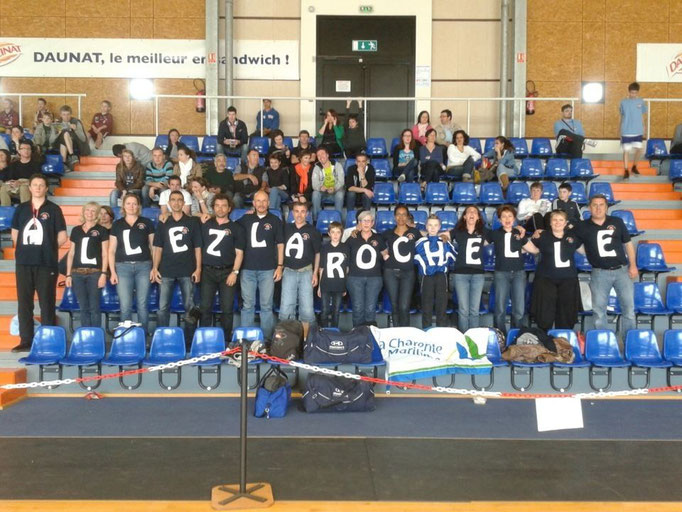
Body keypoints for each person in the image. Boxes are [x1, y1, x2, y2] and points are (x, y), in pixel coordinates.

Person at [10, 174, 67, 351]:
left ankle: (48, 341)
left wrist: (48, 249)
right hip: (24, 263)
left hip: (46, 263)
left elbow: (63, 237)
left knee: (47, 302)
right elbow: (15, 233)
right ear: (30, 188)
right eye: (34, 185)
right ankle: (26, 340)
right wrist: (23, 250)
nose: (38, 188)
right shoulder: (21, 209)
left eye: (41, 185)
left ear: (46, 188)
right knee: (24, 302)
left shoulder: (54, 209)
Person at [572, 194, 637, 339]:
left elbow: (628, 244)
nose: (598, 208)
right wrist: (588, 254)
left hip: (622, 271)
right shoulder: (582, 226)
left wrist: (633, 265)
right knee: (599, 311)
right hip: (599, 273)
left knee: (629, 309)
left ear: (606, 207)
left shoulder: (617, 222)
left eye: (601, 205)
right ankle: (604, 342)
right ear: (589, 207)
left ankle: (630, 343)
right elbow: (572, 242)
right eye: (595, 205)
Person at [151, 191, 202, 335]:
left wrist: (198, 269)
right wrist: (155, 267)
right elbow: (158, 248)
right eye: (173, 200)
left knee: (190, 307)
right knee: (162, 308)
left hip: (187, 270)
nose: (176, 202)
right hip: (166, 270)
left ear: (183, 202)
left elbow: (198, 247)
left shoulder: (192, 222)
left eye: (180, 200)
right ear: (169, 203)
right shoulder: (163, 223)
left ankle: (189, 340)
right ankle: (162, 338)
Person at [523, 210, 582, 331]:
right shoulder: (542, 236)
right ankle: (546, 341)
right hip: (545, 280)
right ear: (550, 222)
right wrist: (519, 238)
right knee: (544, 314)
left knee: (566, 314)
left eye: (561, 220)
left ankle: (563, 342)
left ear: (565, 223)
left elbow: (585, 251)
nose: (557, 222)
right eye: (554, 220)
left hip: (568, 280)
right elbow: (532, 250)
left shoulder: (573, 237)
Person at [237, 190, 284, 339]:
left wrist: (280, 266)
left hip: (268, 269)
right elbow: (227, 225)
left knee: (266, 306)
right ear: (253, 203)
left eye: (264, 201)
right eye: (258, 201)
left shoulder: (275, 220)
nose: (261, 204)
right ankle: (246, 342)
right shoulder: (245, 219)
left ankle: (267, 341)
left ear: (269, 203)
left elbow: (280, 245)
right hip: (247, 269)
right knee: (247, 306)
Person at [109, 194, 155, 335]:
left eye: (134, 203)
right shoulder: (117, 224)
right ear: (123, 206)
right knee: (125, 306)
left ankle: (143, 337)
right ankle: (126, 338)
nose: (131, 206)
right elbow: (111, 250)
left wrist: (154, 268)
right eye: (128, 203)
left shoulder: (146, 222)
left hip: (144, 266)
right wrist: (113, 272)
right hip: (123, 267)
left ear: (139, 206)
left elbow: (153, 247)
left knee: (142, 305)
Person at [199, 194, 244, 335]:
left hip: (227, 272)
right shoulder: (205, 224)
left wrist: (235, 272)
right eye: (217, 205)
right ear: (213, 208)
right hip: (207, 271)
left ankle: (226, 340)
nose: (220, 208)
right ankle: (205, 337)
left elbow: (239, 253)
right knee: (205, 307)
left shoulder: (236, 228)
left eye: (224, 205)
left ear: (229, 208)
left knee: (227, 308)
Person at [280, 200, 321, 336]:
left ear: (307, 214)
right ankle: (287, 341)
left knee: (307, 309)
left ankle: (306, 341)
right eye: (296, 211)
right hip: (289, 271)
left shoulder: (313, 231)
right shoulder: (285, 228)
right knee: (286, 308)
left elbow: (317, 253)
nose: (299, 214)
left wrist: (315, 274)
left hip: (306, 272)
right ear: (292, 213)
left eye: (302, 211)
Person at [485, 205, 529, 334]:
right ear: (499, 220)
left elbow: (533, 248)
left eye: (510, 216)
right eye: (503, 216)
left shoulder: (519, 233)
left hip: (519, 273)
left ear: (515, 218)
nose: (507, 219)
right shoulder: (495, 233)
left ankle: (516, 337)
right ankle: (500, 337)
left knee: (519, 309)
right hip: (501, 273)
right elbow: (479, 242)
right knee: (500, 308)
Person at [65, 202, 109, 328]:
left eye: (93, 211)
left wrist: (103, 274)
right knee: (83, 307)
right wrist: (68, 274)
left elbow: (105, 254)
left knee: (94, 307)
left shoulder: (102, 230)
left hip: (94, 273)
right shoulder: (76, 230)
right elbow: (71, 253)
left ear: (97, 214)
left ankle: (96, 336)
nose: (90, 213)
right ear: (83, 212)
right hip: (77, 273)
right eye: (87, 210)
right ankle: (86, 336)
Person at [346, 210, 388, 327]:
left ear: (373, 223)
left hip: (374, 278)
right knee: (358, 308)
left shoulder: (378, 238)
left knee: (370, 308)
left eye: (369, 221)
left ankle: (369, 337)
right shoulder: (352, 237)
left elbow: (384, 252)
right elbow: (346, 256)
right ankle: (357, 336)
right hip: (355, 278)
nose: (366, 223)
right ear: (359, 222)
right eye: (364, 220)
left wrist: (385, 255)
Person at [449, 206, 488, 332]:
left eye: (475, 212)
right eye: (469, 212)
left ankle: (473, 340)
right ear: (464, 216)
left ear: (478, 217)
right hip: (461, 274)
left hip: (478, 275)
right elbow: (443, 236)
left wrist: (518, 228)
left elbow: (504, 233)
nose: (471, 214)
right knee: (463, 309)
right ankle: (463, 338)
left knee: (474, 310)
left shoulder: (485, 232)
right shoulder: (457, 231)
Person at [382, 205, 422, 327]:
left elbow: (426, 240)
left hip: (408, 273)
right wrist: (383, 253)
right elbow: (374, 241)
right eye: (398, 214)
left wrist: (442, 236)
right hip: (390, 272)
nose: (401, 217)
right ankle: (396, 333)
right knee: (394, 305)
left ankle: (405, 334)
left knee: (404, 306)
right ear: (394, 217)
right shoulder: (388, 233)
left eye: (404, 214)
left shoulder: (414, 232)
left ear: (407, 216)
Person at [414, 215, 456, 328]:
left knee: (441, 307)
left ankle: (440, 335)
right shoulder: (420, 243)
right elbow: (413, 258)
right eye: (430, 225)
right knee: (426, 306)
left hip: (441, 276)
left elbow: (454, 257)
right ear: (426, 226)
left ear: (439, 227)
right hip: (426, 277)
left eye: (436, 225)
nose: (433, 228)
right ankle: (426, 333)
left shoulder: (445, 242)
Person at [318, 221, 349, 328]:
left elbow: (346, 269)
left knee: (336, 310)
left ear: (341, 233)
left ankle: (335, 331)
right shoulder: (324, 248)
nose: (335, 235)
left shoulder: (345, 248)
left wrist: (345, 285)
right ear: (329, 233)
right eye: (333, 232)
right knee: (325, 309)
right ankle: (324, 330)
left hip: (339, 284)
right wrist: (319, 287)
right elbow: (321, 268)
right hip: (326, 283)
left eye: (338, 232)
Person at [620, 82, 648, 179]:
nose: (633, 94)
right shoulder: (623, 102)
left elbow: (641, 115)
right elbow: (622, 116)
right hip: (626, 130)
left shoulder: (641, 101)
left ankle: (634, 166)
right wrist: (620, 130)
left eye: (635, 93)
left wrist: (644, 126)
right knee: (626, 150)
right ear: (629, 92)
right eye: (632, 92)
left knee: (640, 149)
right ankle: (626, 169)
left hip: (638, 130)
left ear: (638, 92)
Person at [1, 140, 41, 206]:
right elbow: (9, 178)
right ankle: (6, 212)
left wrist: (21, 183)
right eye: (23, 148)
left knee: (23, 187)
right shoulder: (14, 164)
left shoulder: (36, 164)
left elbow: (37, 180)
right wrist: (11, 182)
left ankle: (25, 210)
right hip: (16, 186)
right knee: (3, 189)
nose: (26, 151)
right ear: (19, 151)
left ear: (31, 151)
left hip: (29, 185)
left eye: (28, 149)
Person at [311, 146, 344, 221]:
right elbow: (314, 184)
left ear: (327, 155)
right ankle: (317, 220)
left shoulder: (337, 165)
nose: (320, 157)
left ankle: (338, 221)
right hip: (323, 193)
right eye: (318, 155)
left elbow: (341, 181)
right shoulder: (317, 167)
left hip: (335, 191)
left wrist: (334, 188)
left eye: (322, 154)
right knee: (315, 194)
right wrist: (320, 188)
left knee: (340, 194)